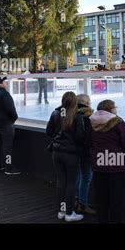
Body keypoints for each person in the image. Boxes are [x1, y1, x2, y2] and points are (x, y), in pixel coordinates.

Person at [90, 99, 125, 223]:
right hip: (116, 165)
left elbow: (88, 142)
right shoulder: (118, 123)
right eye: (115, 107)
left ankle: (102, 220)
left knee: (101, 197)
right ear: (110, 109)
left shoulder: (91, 122)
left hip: (99, 164)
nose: (116, 109)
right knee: (116, 198)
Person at [46, 91, 85, 222]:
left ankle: (61, 211)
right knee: (71, 183)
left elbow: (49, 131)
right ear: (75, 102)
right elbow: (80, 137)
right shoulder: (77, 116)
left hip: (57, 153)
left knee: (61, 182)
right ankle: (69, 213)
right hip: (71, 154)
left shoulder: (55, 113)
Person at [0, 76, 20, 175]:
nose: (6, 83)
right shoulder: (5, 94)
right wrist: (13, 119)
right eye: (4, 82)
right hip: (6, 124)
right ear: (0, 84)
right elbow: (11, 109)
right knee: (8, 147)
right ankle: (8, 167)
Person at [74, 94, 96, 215]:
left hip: (74, 151)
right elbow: (89, 136)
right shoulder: (89, 116)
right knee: (86, 177)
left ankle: (77, 201)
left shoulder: (71, 114)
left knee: (77, 176)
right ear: (87, 103)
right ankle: (82, 203)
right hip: (85, 152)